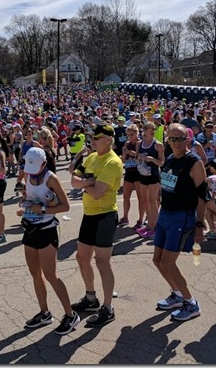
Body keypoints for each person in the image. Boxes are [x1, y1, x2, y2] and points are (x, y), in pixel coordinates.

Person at [19, 147, 80, 334]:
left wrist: (43, 210)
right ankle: (44, 313)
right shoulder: (28, 173)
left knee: (51, 275)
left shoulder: (50, 178)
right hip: (30, 228)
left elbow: (66, 206)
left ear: (44, 163)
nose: (31, 171)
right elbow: (30, 197)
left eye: (36, 167)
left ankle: (71, 315)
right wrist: (25, 203)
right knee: (35, 274)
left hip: (47, 230)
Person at [153, 124, 208, 321]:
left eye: (180, 139)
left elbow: (202, 196)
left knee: (168, 262)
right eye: (172, 139)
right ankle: (176, 294)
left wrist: (200, 225)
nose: (176, 143)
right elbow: (166, 183)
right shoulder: (168, 159)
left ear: (188, 140)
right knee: (157, 260)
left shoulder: (194, 162)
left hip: (182, 215)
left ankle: (190, 302)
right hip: (165, 214)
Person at [70, 122, 122, 327]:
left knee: (102, 262)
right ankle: (91, 298)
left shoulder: (113, 162)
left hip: (105, 215)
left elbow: (99, 192)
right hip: (89, 214)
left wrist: (87, 184)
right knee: (82, 257)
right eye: (91, 137)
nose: (92, 140)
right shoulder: (92, 157)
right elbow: (74, 179)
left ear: (108, 140)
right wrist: (89, 183)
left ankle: (108, 308)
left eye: (96, 138)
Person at [135, 121, 165, 239]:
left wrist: (152, 159)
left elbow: (162, 162)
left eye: (153, 129)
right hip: (143, 174)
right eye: (149, 129)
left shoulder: (158, 145)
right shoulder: (139, 143)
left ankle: (154, 227)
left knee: (153, 200)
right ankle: (149, 225)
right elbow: (137, 157)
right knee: (145, 200)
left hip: (153, 175)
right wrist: (140, 159)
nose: (151, 131)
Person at [120, 124, 141, 227]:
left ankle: (140, 220)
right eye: (128, 135)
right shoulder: (127, 143)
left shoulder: (140, 143)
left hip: (138, 172)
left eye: (132, 134)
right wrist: (124, 154)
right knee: (125, 196)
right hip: (129, 170)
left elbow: (139, 156)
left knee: (140, 198)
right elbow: (123, 160)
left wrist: (130, 152)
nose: (130, 137)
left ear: (137, 133)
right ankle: (125, 217)